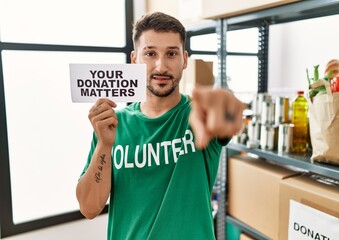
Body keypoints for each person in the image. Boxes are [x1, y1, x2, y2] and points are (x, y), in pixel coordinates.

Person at [76, 12, 245, 240]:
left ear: (184, 59)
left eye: (171, 54)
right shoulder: (112, 125)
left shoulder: (199, 115)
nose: (161, 66)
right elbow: (89, 207)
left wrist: (226, 104)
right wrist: (105, 145)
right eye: (150, 53)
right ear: (135, 59)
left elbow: (227, 115)